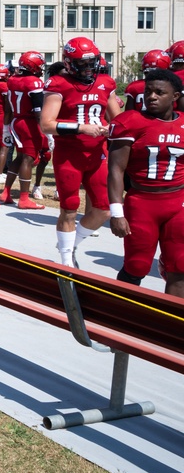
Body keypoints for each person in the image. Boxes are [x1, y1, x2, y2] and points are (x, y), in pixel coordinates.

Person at [40, 37, 118, 267]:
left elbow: (119, 120)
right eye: (81, 64)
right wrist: (81, 128)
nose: (87, 68)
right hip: (69, 154)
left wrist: (112, 130)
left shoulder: (105, 82)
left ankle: (72, 244)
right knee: (70, 208)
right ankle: (66, 262)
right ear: (68, 62)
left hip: (97, 154)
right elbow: (46, 124)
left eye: (91, 62)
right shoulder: (58, 83)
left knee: (104, 209)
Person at [108, 69, 184, 297]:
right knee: (137, 265)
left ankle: (172, 327)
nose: (151, 96)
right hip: (142, 202)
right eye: (148, 91)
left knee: (179, 266)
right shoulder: (130, 121)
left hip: (178, 202)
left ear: (175, 97)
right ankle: (121, 315)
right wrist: (116, 212)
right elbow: (115, 170)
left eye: (159, 92)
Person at [0, 51, 48, 209]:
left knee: (19, 158)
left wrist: (6, 127)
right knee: (28, 159)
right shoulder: (34, 82)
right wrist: (47, 132)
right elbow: (37, 110)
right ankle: (24, 199)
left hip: (16, 120)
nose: (41, 68)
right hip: (29, 123)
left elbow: (8, 106)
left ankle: (6, 192)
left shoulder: (12, 80)